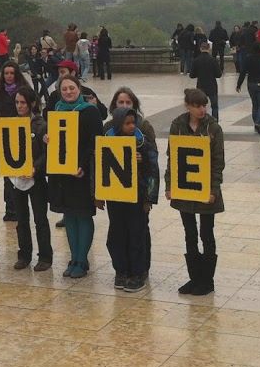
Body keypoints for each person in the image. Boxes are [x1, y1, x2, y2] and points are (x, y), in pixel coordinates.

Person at [166, 88, 225, 296]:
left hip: (205, 189)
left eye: (204, 105)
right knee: (189, 234)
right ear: (188, 106)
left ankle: (207, 280)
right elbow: (172, 157)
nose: (202, 110)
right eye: (197, 106)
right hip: (185, 188)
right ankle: (194, 278)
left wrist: (213, 190)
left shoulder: (213, 128)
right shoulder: (177, 125)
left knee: (206, 233)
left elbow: (218, 162)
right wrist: (169, 185)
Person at [46, 74, 104, 278]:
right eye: (64, 89)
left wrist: (82, 166)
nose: (68, 92)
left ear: (79, 88)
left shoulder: (90, 112)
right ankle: (73, 258)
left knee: (83, 214)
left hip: (82, 173)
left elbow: (95, 143)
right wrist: (48, 138)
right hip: (63, 173)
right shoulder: (57, 111)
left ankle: (82, 260)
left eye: (72, 88)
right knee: (69, 215)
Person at [101, 105, 158, 292]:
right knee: (117, 235)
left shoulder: (143, 143)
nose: (132, 126)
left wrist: (148, 198)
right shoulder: (106, 141)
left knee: (136, 235)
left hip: (136, 197)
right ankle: (121, 271)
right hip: (115, 198)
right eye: (127, 123)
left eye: (133, 122)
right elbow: (99, 166)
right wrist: (97, 195)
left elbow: (152, 171)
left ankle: (137, 273)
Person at [10, 85, 51, 271]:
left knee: (40, 219)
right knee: (21, 219)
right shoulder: (11, 124)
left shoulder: (41, 125)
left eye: (23, 103)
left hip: (36, 179)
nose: (19, 106)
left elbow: (46, 153)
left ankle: (45, 256)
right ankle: (24, 254)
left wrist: (36, 167)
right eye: (17, 102)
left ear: (31, 104)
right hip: (16, 179)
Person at [0, 61, 30, 222]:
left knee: (21, 174)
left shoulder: (24, 90)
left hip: (21, 135)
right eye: (6, 73)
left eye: (11, 73)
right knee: (8, 176)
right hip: (4, 136)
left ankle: (21, 207)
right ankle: (10, 208)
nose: (9, 76)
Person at [236, 41, 260, 134]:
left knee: (255, 105)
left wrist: (239, 84)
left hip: (251, 84)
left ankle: (256, 122)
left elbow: (243, 72)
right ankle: (258, 123)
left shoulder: (248, 58)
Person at [188, 41, 222, 120]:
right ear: (209, 48)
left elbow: (191, 75)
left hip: (201, 86)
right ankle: (214, 121)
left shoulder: (196, 60)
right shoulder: (213, 60)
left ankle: (201, 121)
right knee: (214, 106)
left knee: (200, 106)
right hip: (212, 86)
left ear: (200, 49)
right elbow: (219, 74)